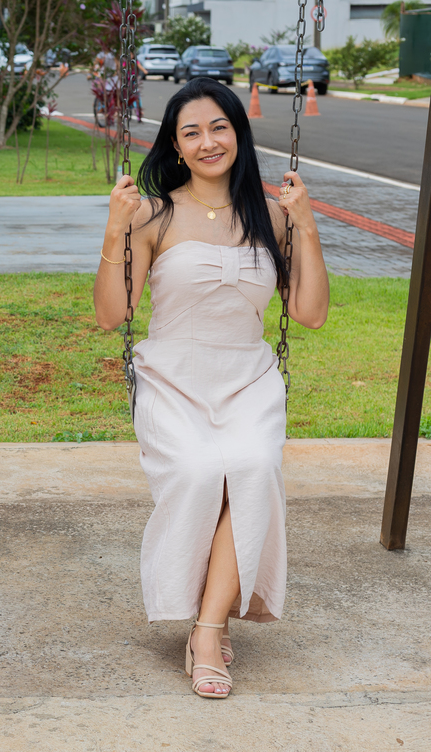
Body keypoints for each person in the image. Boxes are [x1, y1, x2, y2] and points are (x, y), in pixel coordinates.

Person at [93, 77, 329, 698]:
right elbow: (113, 315)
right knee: (200, 472)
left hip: (247, 379)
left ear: (238, 132)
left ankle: (207, 628)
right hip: (173, 378)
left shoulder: (271, 216)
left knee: (252, 468)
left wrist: (306, 226)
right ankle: (209, 619)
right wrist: (115, 231)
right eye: (191, 132)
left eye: (219, 127)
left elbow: (309, 313)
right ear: (175, 146)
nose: (207, 142)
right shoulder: (153, 214)